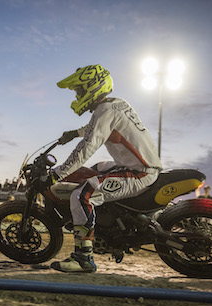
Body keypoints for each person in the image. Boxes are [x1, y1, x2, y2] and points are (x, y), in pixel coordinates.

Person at [48, 65, 162, 273]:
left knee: (81, 194)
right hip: (139, 166)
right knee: (95, 169)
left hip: (140, 172)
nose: (78, 95)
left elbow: (86, 148)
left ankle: (84, 258)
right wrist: (75, 133)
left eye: (80, 90)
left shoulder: (105, 111)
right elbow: (97, 128)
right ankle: (108, 220)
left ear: (93, 87)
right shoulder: (116, 104)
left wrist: (57, 174)